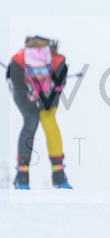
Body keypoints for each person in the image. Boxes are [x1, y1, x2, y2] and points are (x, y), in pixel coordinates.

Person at [6, 36, 72, 189]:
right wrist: (30, 94)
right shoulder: (17, 65)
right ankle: (22, 175)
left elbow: (58, 88)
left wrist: (46, 93)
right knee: (31, 121)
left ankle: (58, 174)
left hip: (50, 90)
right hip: (23, 90)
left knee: (48, 119)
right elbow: (18, 90)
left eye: (44, 70)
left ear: (50, 64)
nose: (40, 75)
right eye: (35, 71)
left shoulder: (59, 64)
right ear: (27, 67)